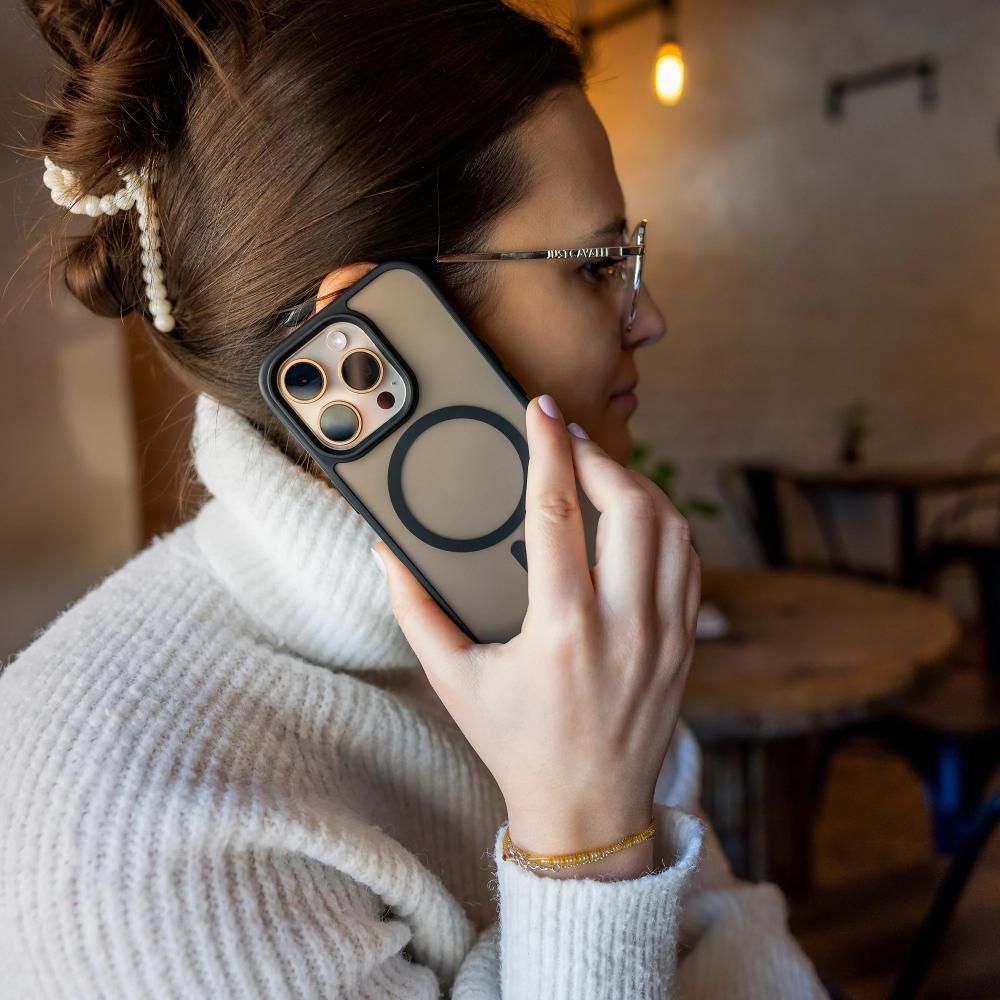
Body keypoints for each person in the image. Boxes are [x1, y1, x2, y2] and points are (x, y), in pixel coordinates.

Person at [0, 1, 828, 997]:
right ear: (373, 335)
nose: (647, 317)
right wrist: (587, 835)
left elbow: (740, 949)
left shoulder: (558, 621)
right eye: (599, 265)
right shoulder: (116, 826)